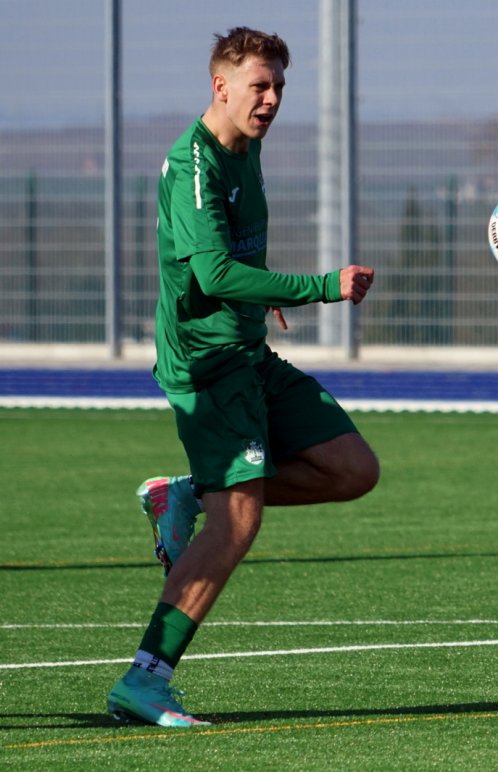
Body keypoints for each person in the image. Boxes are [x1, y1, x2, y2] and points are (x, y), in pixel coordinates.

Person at [106, 27, 380, 728]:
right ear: (219, 86)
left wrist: (261, 300)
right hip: (206, 365)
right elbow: (213, 272)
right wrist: (318, 285)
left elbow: (232, 264)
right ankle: (145, 679)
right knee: (239, 517)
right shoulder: (190, 164)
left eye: (280, 86)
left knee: (351, 469)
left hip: (247, 349)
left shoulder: (245, 148)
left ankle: (183, 493)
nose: (272, 99)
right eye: (259, 85)